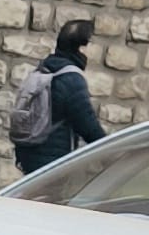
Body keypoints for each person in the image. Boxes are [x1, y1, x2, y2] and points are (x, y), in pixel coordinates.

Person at [10, 18, 107, 175]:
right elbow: (88, 126)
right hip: (51, 162)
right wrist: (111, 152)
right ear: (82, 47)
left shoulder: (45, 68)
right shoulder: (71, 79)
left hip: (28, 154)